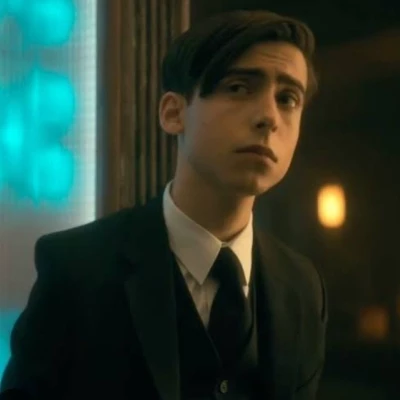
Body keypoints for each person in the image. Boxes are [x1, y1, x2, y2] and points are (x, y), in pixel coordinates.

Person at [0, 9, 328, 400]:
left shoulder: (301, 288)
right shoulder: (76, 268)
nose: (269, 117)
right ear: (173, 113)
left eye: (288, 98)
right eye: (239, 87)